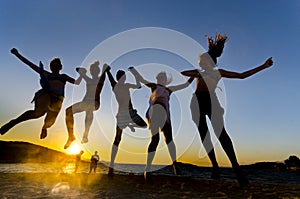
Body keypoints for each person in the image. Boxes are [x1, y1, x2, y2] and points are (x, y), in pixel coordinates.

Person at [181, 33, 273, 187]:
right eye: (199, 62)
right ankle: (215, 166)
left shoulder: (218, 72)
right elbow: (183, 72)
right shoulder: (199, 73)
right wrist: (195, 74)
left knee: (221, 134)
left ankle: (237, 169)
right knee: (204, 134)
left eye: (201, 60)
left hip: (212, 102)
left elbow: (242, 76)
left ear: (209, 61)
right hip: (196, 102)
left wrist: (263, 66)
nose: (200, 63)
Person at [130, 67, 194, 181]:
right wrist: (133, 71)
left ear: (165, 80)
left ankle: (175, 165)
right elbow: (142, 79)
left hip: (165, 116)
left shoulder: (169, 90)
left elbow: (185, 85)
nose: (161, 79)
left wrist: (194, 76)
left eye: (163, 78)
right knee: (155, 140)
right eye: (160, 78)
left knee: (169, 140)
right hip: (154, 113)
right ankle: (148, 168)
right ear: (157, 79)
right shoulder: (154, 86)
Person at [0, 48, 79, 138]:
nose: (55, 67)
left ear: (60, 67)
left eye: (57, 65)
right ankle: (13, 122)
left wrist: (82, 74)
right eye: (53, 65)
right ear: (50, 67)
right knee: (38, 113)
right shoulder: (47, 74)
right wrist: (17, 54)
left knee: (50, 121)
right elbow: (30, 65)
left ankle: (44, 128)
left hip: (58, 99)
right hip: (46, 95)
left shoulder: (63, 76)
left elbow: (77, 82)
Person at [105, 65, 147, 177]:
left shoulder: (126, 85)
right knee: (117, 139)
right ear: (118, 78)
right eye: (121, 76)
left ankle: (131, 124)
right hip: (123, 115)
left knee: (144, 125)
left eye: (123, 76)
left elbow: (138, 86)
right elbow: (110, 79)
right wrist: (107, 71)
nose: (122, 78)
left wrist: (135, 73)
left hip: (131, 113)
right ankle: (111, 167)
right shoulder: (115, 85)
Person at [64, 61, 108, 149]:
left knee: (89, 108)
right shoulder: (89, 80)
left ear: (98, 71)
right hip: (85, 102)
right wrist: (82, 71)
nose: (93, 72)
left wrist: (104, 69)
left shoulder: (100, 79)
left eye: (95, 70)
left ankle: (85, 135)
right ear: (91, 72)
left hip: (95, 103)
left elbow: (104, 74)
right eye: (92, 70)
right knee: (68, 111)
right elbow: (77, 69)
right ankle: (71, 136)